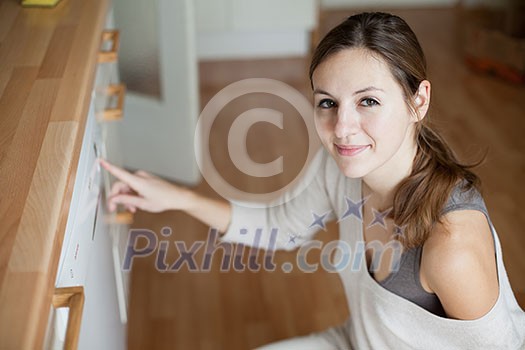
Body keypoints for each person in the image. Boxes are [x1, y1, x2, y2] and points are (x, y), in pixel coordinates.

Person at [100, 12, 525, 350]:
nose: (342, 128)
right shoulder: (343, 168)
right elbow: (280, 228)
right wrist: (177, 198)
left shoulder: (452, 248)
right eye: (327, 103)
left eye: (368, 102)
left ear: (419, 100)